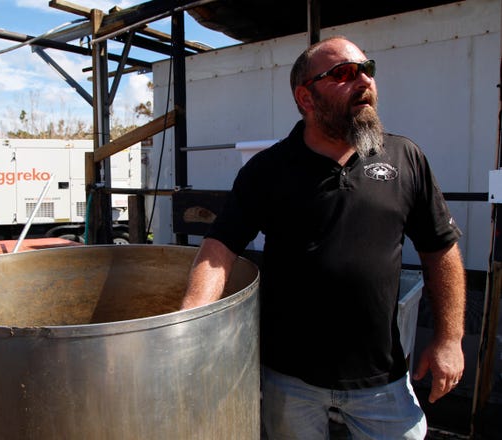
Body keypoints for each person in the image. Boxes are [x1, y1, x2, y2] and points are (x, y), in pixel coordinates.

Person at [181, 36, 466, 439]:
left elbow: (441, 249)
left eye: (367, 69)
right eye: (344, 74)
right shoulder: (268, 170)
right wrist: (187, 323)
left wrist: (449, 339)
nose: (364, 80)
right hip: (290, 381)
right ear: (306, 97)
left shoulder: (405, 159)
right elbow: (219, 248)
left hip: (381, 379)